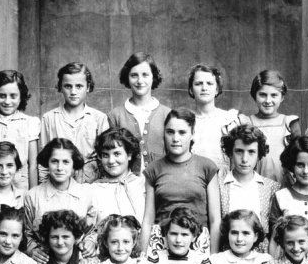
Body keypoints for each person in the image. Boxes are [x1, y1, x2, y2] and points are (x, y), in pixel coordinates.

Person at [141, 108, 221, 255]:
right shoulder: (154, 169)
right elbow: (148, 219)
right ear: (164, 133)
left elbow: (215, 219)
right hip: (162, 243)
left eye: (182, 132)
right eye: (170, 132)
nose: (175, 138)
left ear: (192, 134)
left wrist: (214, 257)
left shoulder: (207, 167)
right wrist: (143, 256)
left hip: (198, 243)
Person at [24, 138, 97, 264]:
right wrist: (32, 249)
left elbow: (93, 230)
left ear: (74, 165)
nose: (59, 168)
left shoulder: (86, 193)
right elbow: (27, 232)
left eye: (65, 162)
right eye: (54, 161)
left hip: (79, 262)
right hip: (44, 262)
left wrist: (91, 241)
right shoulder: (32, 196)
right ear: (47, 163)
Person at [40, 62, 109, 183]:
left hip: (90, 185)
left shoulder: (99, 118)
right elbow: (42, 164)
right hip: (56, 186)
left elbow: (104, 158)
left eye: (79, 86)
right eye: (67, 86)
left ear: (88, 87)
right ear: (60, 87)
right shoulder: (49, 119)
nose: (73, 92)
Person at [217, 124, 280, 252]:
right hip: (227, 257)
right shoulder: (219, 186)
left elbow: (275, 233)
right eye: (239, 151)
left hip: (261, 258)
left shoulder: (271, 187)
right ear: (230, 153)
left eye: (251, 152)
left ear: (259, 155)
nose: (245, 159)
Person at [107, 52, 171, 173]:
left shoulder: (168, 114)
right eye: (134, 75)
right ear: (127, 77)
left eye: (145, 75)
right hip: (126, 185)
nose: (140, 80)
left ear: (154, 77)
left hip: (161, 183)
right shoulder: (115, 115)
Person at [238, 70, 300, 185]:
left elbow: (300, 157)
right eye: (262, 95)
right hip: (253, 184)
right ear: (254, 95)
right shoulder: (245, 122)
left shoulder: (289, 123)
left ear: (282, 97)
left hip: (284, 184)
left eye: (274, 95)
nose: (268, 101)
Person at [89, 128, 146, 223]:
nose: (111, 161)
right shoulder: (93, 190)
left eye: (117, 154)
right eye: (105, 155)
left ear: (129, 154)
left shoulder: (143, 185)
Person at [188, 64, 238, 171]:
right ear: (191, 89)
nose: (204, 88)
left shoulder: (228, 120)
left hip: (222, 178)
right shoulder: (185, 120)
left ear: (217, 89)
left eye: (210, 84)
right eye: (198, 84)